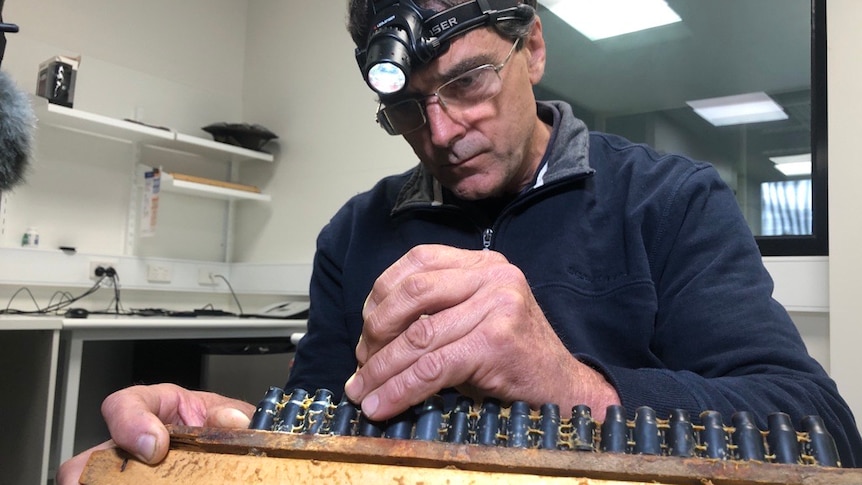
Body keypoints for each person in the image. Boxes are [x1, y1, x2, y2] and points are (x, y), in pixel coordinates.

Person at [58, 0, 862, 481]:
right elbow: (320, 432)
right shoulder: (355, 232)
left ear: (533, 48)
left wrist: (569, 383)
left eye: (467, 81)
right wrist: (205, 436)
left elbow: (821, 431)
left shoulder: (670, 201)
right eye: (407, 107)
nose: (441, 131)